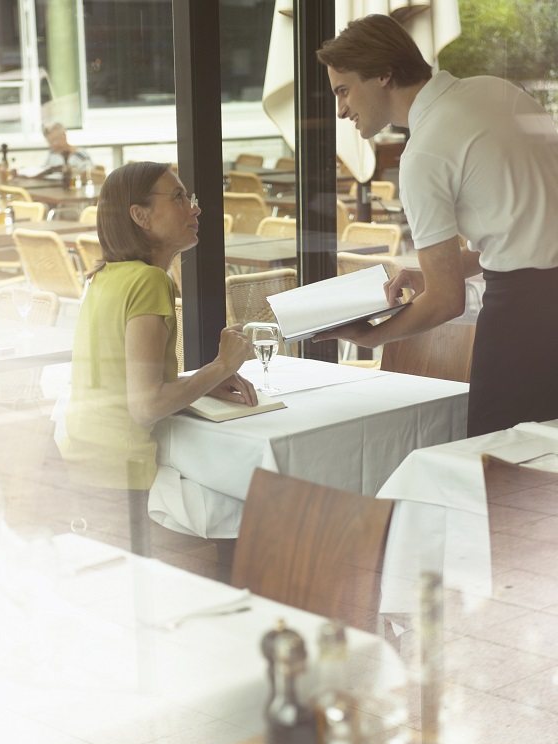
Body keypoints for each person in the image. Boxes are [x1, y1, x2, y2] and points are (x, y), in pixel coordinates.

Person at [316, 14, 558, 437]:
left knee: (501, 476)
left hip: (525, 323)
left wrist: (374, 337)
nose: (340, 110)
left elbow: (447, 302)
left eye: (343, 91)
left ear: (383, 76)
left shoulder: (424, 154)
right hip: (542, 301)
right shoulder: (498, 91)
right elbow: (526, 232)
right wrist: (429, 273)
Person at [59, 161, 256, 512]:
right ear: (140, 215)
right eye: (178, 197)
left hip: (82, 462)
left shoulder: (106, 277)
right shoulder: (149, 281)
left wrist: (200, 381)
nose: (194, 207)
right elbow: (146, 406)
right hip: (121, 478)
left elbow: (124, 383)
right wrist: (222, 365)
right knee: (244, 504)